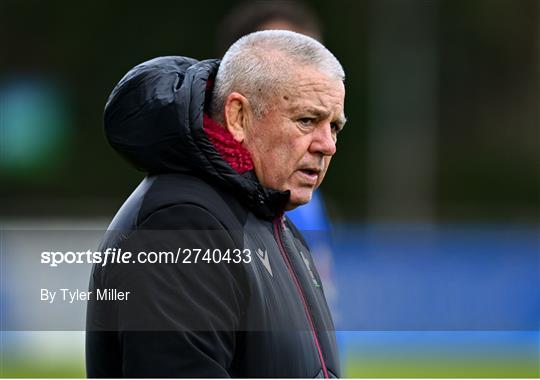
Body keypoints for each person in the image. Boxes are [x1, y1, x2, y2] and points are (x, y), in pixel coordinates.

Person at [86, 30, 346, 378]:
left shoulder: (271, 220)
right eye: (307, 120)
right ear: (238, 116)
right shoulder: (183, 226)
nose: (327, 144)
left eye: (335, 127)